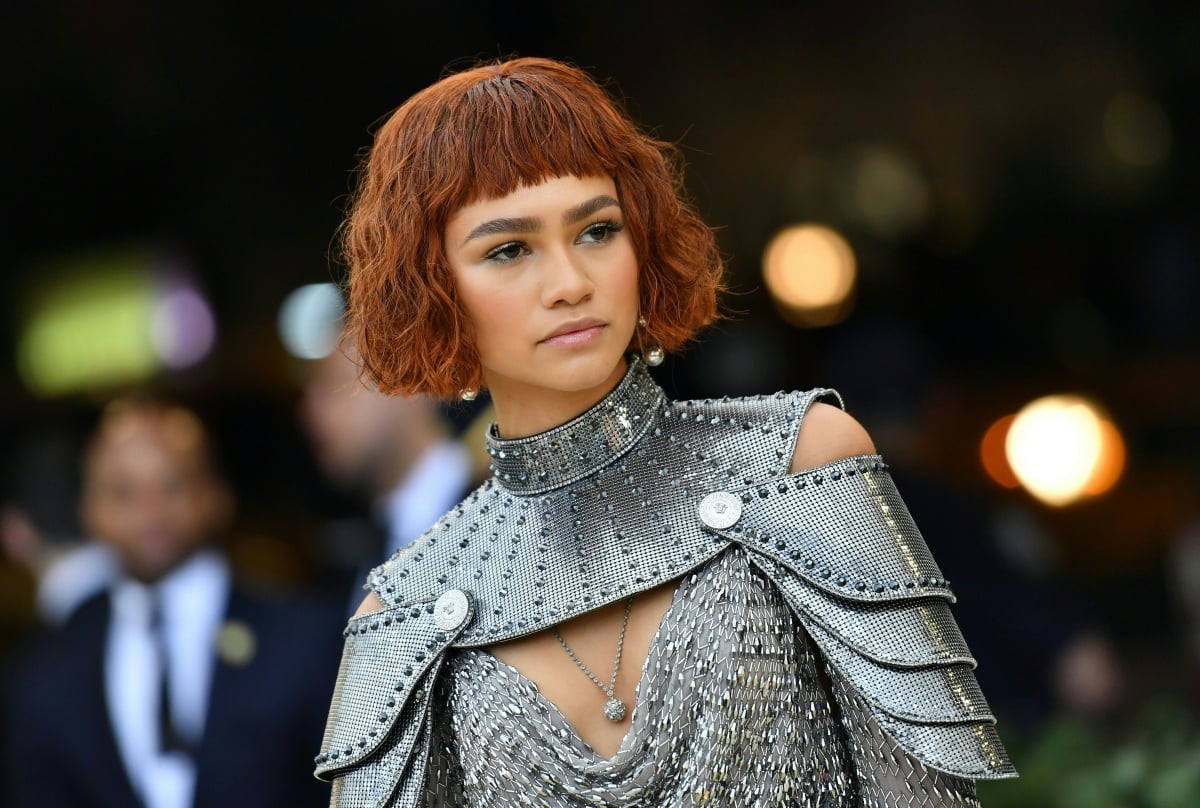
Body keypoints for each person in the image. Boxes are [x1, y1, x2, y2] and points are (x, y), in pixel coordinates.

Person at [315, 56, 1017, 806]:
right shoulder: (406, 612)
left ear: (641, 239)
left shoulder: (800, 462)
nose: (571, 282)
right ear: (434, 290)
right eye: (509, 249)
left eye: (597, 229)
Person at [0, 396, 344, 808]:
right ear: (88, 510)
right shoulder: (44, 673)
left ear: (217, 496)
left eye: (172, 485)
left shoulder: (303, 641)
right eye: (122, 492)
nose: (150, 510)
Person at [300, 342, 478, 612]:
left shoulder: (508, 511)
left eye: (331, 384)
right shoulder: (345, 555)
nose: (309, 412)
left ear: (412, 384)